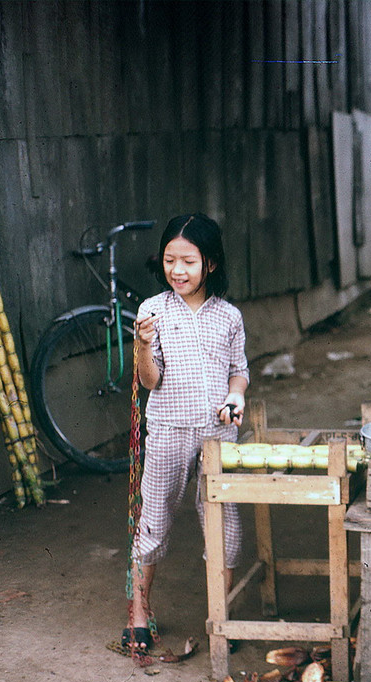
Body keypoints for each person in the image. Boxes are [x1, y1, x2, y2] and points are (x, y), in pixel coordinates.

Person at [121, 213, 249, 656]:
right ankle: (138, 613)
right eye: (169, 260)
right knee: (154, 522)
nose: (177, 270)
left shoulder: (229, 316)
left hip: (219, 436)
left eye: (188, 261)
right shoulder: (152, 310)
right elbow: (149, 380)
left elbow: (239, 371)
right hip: (168, 432)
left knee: (225, 527)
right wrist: (142, 345)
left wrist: (236, 396)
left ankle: (221, 618)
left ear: (210, 262)